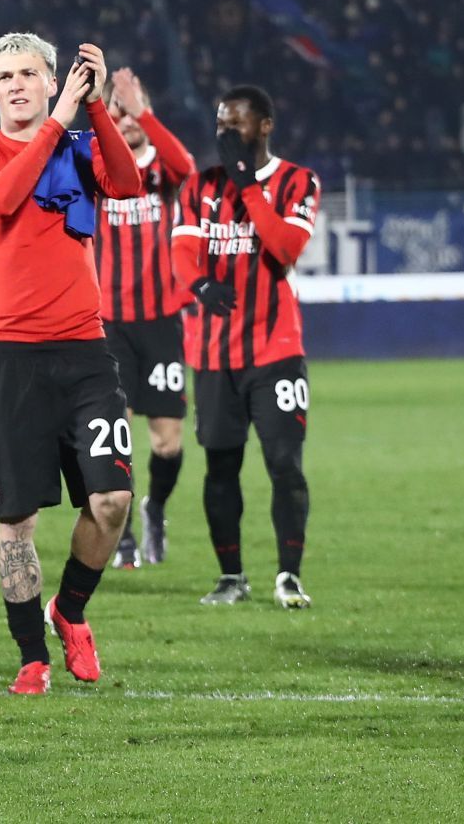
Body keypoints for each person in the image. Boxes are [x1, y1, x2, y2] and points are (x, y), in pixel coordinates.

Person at [0, 33, 141, 694]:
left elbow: (130, 181)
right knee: (16, 520)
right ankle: (32, 655)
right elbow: (2, 198)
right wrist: (61, 118)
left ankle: (72, 610)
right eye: (5, 76)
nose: (17, 86)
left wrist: (95, 111)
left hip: (86, 352)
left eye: (30, 73)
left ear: (53, 79)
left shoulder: (82, 145)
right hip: (10, 357)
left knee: (113, 501)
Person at [171, 86, 321, 610]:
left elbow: (284, 250)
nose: (224, 133)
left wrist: (246, 187)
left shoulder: (299, 181)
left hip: (275, 350)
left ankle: (289, 576)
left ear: (264, 127)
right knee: (220, 468)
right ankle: (231, 576)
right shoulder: (197, 188)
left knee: (285, 464)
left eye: (235, 124)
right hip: (213, 356)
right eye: (219, 123)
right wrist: (200, 286)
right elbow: (183, 253)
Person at [97, 70, 196, 568]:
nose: (128, 119)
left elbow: (187, 165)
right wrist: (113, 113)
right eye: (120, 110)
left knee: (167, 439)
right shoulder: (100, 169)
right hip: (109, 325)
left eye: (134, 109)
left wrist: (142, 111)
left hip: (161, 322)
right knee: (116, 432)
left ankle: (155, 506)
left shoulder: (163, 171)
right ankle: (124, 534)